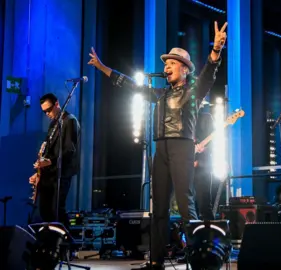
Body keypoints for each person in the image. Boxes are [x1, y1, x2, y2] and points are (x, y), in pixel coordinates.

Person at [88, 21, 227, 269]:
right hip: (160, 148)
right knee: (159, 206)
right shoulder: (161, 94)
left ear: (185, 70)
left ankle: (198, 259)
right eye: (166, 63)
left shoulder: (194, 91)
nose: (167, 66)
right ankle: (156, 260)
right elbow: (133, 85)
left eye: (172, 63)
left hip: (182, 146)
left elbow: (209, 73)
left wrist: (215, 50)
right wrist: (103, 68)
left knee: (185, 203)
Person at [29, 93, 80, 228]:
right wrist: (39, 171)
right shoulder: (53, 124)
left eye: (49, 110)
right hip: (49, 173)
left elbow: (70, 149)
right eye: (44, 111)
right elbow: (47, 151)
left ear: (57, 104)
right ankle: (49, 243)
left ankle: (66, 243)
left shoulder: (70, 121)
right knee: (44, 211)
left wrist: (50, 162)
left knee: (57, 210)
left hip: (61, 173)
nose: (47, 114)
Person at [194, 111, 215, 220]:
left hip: (202, 168)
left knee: (204, 205)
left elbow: (214, 141)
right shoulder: (180, 117)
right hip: (184, 166)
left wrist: (205, 148)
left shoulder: (206, 118)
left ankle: (211, 234)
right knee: (186, 206)